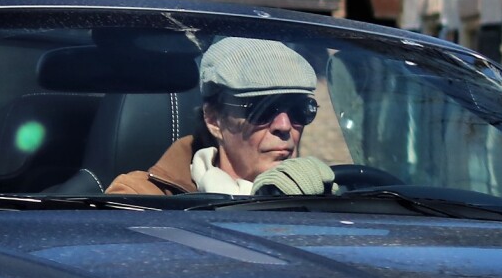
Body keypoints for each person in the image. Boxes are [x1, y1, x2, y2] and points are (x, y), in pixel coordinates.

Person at [107, 36, 336, 197]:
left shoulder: (325, 197)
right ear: (214, 120)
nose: (284, 125)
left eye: (299, 109)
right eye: (263, 110)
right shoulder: (140, 198)